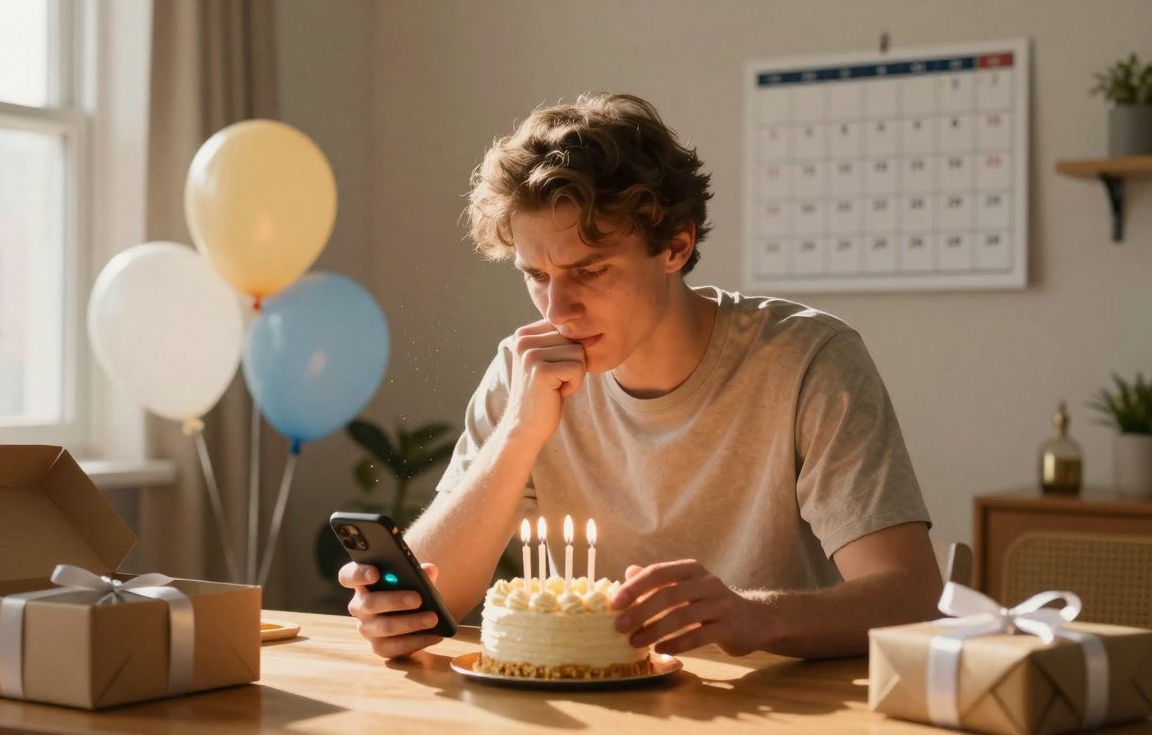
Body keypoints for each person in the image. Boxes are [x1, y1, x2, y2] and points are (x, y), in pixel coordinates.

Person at [339, 92, 941, 660]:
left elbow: (910, 598)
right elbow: (430, 601)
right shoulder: (523, 367)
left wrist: (752, 617)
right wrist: (519, 433)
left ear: (676, 245)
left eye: (590, 269)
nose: (557, 310)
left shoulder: (808, 359)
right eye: (536, 276)